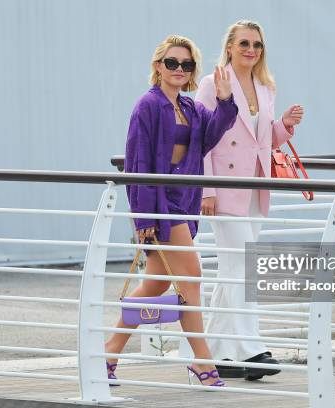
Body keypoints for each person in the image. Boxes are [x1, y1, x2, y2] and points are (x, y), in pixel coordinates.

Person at [104, 34, 238, 387]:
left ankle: (106, 355)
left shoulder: (191, 108)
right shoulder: (146, 106)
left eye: (187, 64)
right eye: (172, 63)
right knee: (192, 276)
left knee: (155, 284)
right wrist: (145, 218)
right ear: (158, 66)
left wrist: (225, 101)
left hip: (184, 202)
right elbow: (138, 164)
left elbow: (213, 134)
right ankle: (202, 361)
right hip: (161, 207)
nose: (179, 69)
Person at [195, 20, 304, 381]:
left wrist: (284, 125)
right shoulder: (213, 84)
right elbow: (202, 141)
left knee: (233, 270)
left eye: (257, 44)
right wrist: (207, 190)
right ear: (229, 46)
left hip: (256, 187)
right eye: (244, 42)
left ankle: (215, 353)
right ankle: (252, 349)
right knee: (241, 268)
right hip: (224, 188)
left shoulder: (265, 86)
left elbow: (262, 142)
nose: (251, 49)